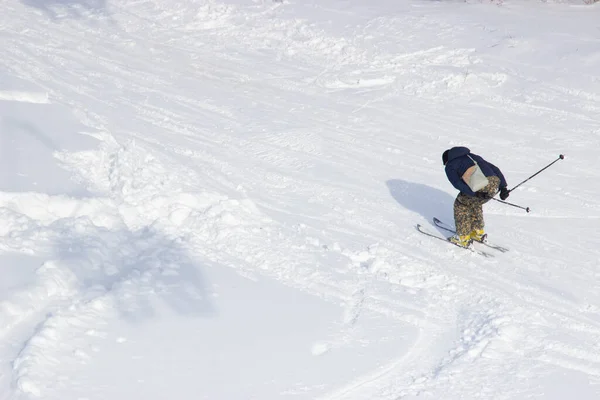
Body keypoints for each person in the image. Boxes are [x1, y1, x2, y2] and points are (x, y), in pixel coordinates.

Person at [442, 146, 509, 247]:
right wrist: (503, 187)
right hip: (494, 183)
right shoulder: (471, 156)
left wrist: (474, 193)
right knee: (475, 202)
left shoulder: (450, 165)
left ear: (447, 160)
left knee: (461, 204)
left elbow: (457, 183)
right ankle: (477, 231)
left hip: (481, 186)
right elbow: (495, 169)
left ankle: (463, 237)